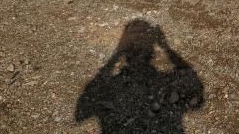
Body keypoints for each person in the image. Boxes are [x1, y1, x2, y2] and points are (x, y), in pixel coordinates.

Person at [75, 19, 203, 134]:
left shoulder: (111, 87)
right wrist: (166, 47)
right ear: (153, 52)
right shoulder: (165, 82)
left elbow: (81, 112)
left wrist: (116, 55)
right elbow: (192, 80)